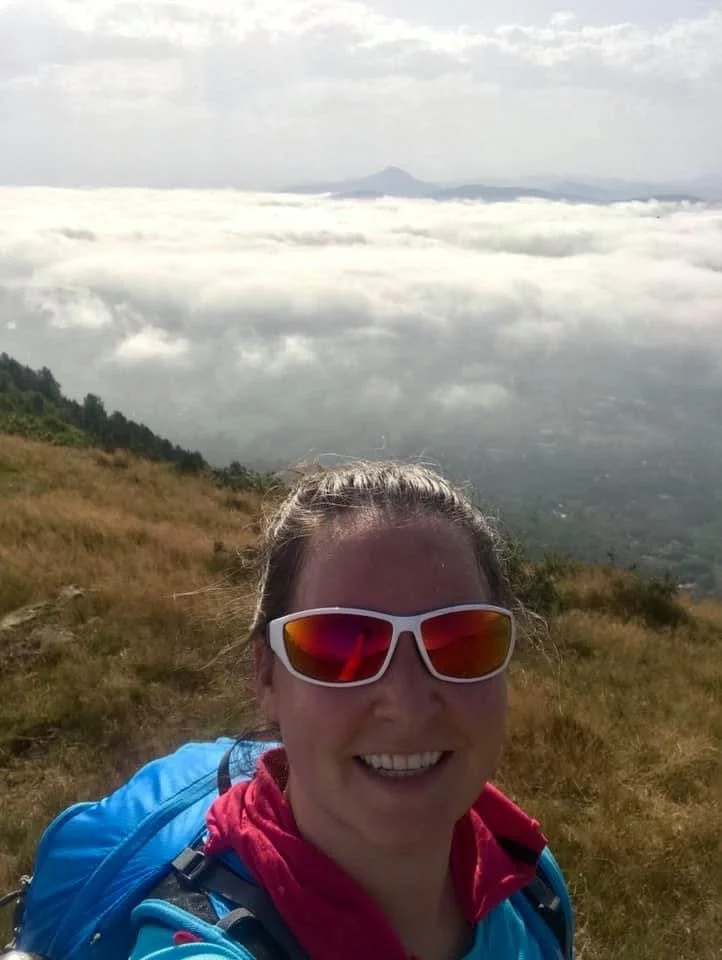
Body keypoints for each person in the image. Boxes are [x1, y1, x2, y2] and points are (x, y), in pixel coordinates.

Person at [130, 461, 574, 960]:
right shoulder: (209, 947)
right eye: (340, 647)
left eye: (460, 642)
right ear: (266, 676)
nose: (406, 706)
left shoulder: (526, 874)